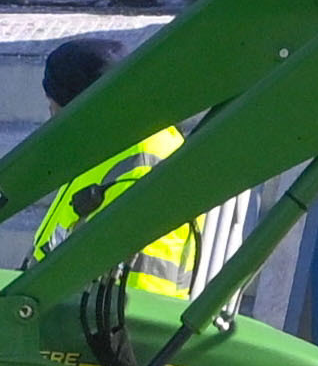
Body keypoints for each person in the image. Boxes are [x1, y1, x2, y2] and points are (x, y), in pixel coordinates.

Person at [30, 32, 200, 305]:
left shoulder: (140, 167)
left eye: (55, 110)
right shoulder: (112, 147)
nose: (52, 122)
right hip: (65, 312)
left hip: (105, 331)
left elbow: (135, 301)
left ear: (82, 108)